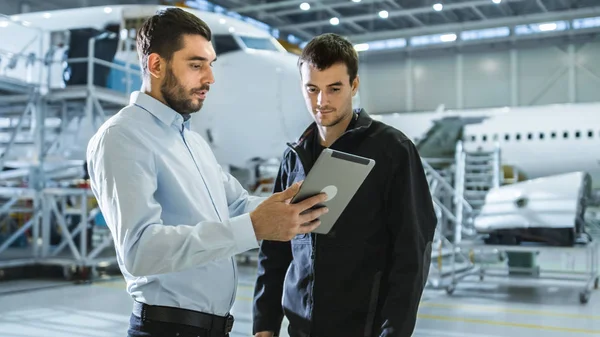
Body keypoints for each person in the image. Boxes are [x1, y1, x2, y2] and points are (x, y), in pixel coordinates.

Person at [85, 8, 328, 337]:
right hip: (166, 329)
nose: (210, 78)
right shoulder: (123, 137)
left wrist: (295, 208)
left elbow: (236, 204)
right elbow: (140, 251)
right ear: (156, 65)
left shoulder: (190, 140)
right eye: (196, 65)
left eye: (210, 64)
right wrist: (253, 228)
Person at [252, 33, 438, 337]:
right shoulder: (294, 158)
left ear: (354, 85)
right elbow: (275, 250)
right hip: (299, 329)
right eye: (312, 89)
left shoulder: (391, 150)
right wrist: (264, 324)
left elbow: (412, 252)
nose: (321, 101)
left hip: (365, 329)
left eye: (334, 88)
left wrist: (394, 331)